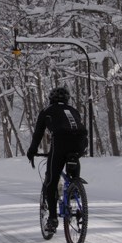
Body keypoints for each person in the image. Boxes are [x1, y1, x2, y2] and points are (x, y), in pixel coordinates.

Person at [27, 86, 88, 233]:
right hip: (80, 142)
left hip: (61, 142)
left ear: (51, 99)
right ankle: (75, 186)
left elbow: (38, 134)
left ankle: (53, 219)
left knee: (51, 181)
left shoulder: (47, 111)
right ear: (67, 99)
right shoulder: (73, 110)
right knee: (72, 162)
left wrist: (32, 151)